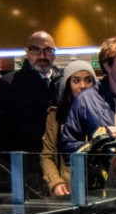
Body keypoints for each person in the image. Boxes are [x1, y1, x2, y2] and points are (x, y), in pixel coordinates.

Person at [0, 31, 63, 152]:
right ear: (27, 53)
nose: (42, 56)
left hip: (57, 160)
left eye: (48, 50)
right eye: (35, 50)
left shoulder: (63, 83)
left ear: (54, 54)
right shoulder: (8, 84)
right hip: (22, 162)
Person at [40, 60, 96, 196]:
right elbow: (47, 155)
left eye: (88, 80)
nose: (83, 86)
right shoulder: (56, 116)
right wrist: (55, 181)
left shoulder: (105, 113)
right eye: (76, 81)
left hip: (98, 188)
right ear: (67, 85)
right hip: (67, 190)